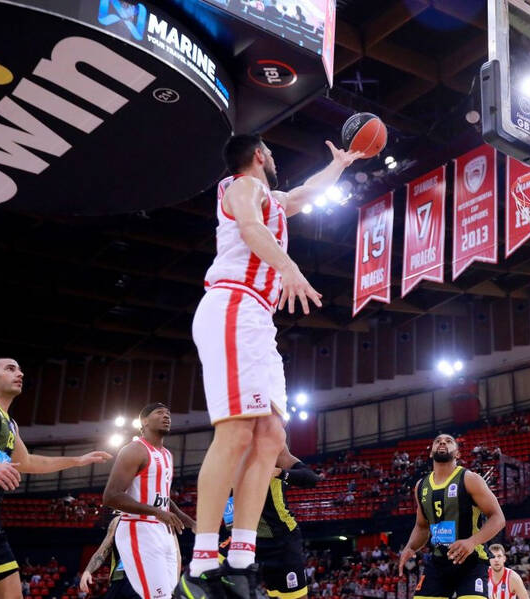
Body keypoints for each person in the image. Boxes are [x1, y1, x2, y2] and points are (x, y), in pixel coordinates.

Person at [185, 134, 360, 597]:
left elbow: (305, 194)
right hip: (231, 305)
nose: (276, 158)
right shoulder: (241, 186)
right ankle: (202, 562)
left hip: (257, 317)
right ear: (258, 155)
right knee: (237, 432)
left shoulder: (275, 200)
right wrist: (289, 269)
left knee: (271, 436)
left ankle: (241, 558)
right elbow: (248, 228)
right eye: (271, 151)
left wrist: (339, 166)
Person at [0, 358, 111, 597]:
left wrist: (77, 461)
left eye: (20, 369)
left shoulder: (10, 424)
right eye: (10, 368)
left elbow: (28, 462)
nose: (20, 373)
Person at [397, 433, 506, 599]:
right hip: (438, 563)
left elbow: (498, 518)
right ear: (431, 453)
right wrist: (410, 547)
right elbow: (422, 526)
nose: (442, 442)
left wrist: (472, 541)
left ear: (457, 454)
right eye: (438, 441)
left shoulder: (470, 479)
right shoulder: (421, 486)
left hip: (471, 561)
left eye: (448, 441)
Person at [103, 403, 193, 599]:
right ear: (143, 421)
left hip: (162, 532)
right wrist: (156, 512)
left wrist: (188, 520)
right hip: (139, 529)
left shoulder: (167, 454)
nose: (166, 416)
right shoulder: (134, 450)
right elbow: (111, 496)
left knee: (170, 595)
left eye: (168, 413)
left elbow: (162, 497)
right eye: (159, 413)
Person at [217, 445, 323, 599]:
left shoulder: (275, 449)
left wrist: (280, 472)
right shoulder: (228, 452)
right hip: (247, 536)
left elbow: (312, 479)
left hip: (281, 540)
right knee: (205, 571)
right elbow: (229, 511)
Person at [80, 514, 141, 599]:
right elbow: (104, 549)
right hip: (119, 578)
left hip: (142, 579)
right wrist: (88, 571)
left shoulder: (156, 520)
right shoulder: (118, 521)